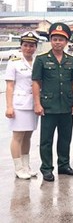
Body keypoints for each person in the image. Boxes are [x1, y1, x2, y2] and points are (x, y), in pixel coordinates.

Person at [32, 22, 73, 182]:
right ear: (50, 40)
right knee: (46, 140)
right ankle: (46, 168)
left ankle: (64, 165)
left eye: (61, 39)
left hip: (66, 105)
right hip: (49, 106)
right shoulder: (41, 60)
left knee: (65, 138)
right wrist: (37, 104)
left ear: (66, 42)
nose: (58, 42)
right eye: (55, 39)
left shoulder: (71, 60)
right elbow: (36, 82)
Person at [5, 31, 40, 179]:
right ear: (21, 46)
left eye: (31, 45)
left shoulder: (37, 62)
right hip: (19, 105)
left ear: (35, 47)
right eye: (25, 45)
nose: (28, 48)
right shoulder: (14, 62)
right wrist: (9, 106)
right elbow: (10, 86)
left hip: (33, 105)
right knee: (18, 136)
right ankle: (18, 168)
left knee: (27, 136)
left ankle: (26, 166)